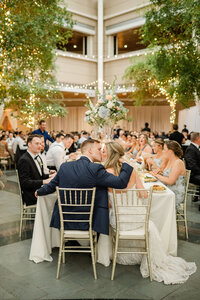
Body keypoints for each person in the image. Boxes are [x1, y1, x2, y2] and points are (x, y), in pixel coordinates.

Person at [97, 141, 196, 284]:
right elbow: (143, 194)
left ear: (110, 154)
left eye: (104, 150)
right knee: (149, 223)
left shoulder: (106, 172)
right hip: (137, 219)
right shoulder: (131, 169)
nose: (102, 152)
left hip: (119, 221)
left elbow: (109, 202)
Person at [35, 139, 133, 235]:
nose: (101, 153)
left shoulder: (65, 166)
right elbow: (120, 183)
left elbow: (52, 185)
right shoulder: (96, 169)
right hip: (89, 221)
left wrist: (39, 191)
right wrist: (125, 163)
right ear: (90, 151)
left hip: (64, 220)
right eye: (99, 149)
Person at [17, 135, 53, 206]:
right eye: (37, 143)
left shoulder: (37, 157)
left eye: (40, 143)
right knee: (55, 198)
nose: (40, 146)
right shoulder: (24, 160)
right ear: (29, 144)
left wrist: (50, 176)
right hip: (31, 194)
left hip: (37, 189)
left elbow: (38, 176)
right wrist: (44, 182)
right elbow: (25, 182)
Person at [150, 140, 186, 209]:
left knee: (152, 200)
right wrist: (159, 173)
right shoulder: (169, 160)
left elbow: (170, 181)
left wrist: (157, 175)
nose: (163, 151)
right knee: (150, 195)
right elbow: (167, 175)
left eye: (164, 149)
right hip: (168, 190)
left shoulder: (178, 162)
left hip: (174, 194)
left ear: (170, 151)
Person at [184, 132, 200, 202]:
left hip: (196, 173)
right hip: (192, 175)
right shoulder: (191, 149)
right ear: (198, 139)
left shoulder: (195, 148)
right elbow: (192, 166)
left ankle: (197, 196)